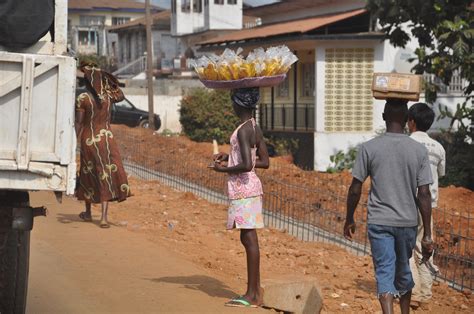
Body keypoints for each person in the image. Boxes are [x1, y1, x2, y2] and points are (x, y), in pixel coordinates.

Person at [343, 99, 435, 314]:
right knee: (403, 271)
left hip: (379, 221)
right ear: (406, 120)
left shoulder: (368, 148)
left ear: (383, 117)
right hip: (407, 222)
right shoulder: (418, 151)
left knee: (384, 271)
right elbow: (424, 193)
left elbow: (355, 188)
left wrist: (349, 218)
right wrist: (428, 233)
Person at [211, 87, 269, 308]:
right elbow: (263, 161)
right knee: (247, 238)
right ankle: (254, 290)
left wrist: (223, 169)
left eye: (232, 101)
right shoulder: (254, 127)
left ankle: (252, 294)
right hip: (249, 187)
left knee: (249, 239)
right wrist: (230, 155)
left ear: (238, 104)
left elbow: (245, 165)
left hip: (245, 189)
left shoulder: (244, 130)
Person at [75, 62, 131, 228]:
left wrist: (74, 140)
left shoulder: (83, 98)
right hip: (107, 139)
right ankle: (104, 217)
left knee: (87, 172)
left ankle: (88, 212)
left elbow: (79, 123)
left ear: (87, 82)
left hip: (89, 139)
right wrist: (107, 78)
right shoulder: (108, 97)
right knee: (105, 174)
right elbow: (121, 95)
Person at [407, 103, 446, 306]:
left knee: (406, 247)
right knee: (425, 245)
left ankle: (412, 292)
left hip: (407, 202)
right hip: (429, 204)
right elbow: (440, 174)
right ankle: (426, 293)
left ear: (411, 122)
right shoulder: (438, 147)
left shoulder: (405, 144)